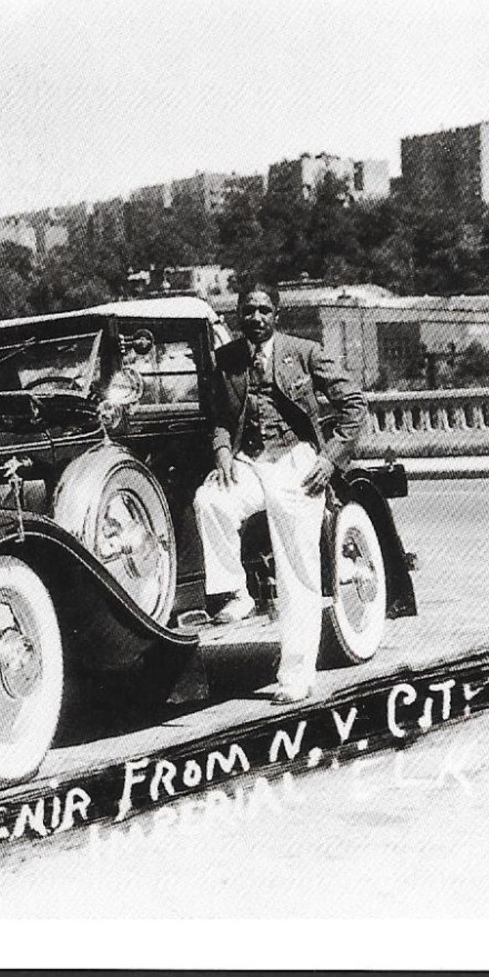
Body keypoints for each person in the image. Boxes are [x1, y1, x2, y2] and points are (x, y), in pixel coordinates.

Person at [194, 282, 369, 700]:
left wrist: (329, 459)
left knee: (298, 569)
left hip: (296, 462)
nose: (255, 318)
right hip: (250, 461)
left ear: (277, 315)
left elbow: (355, 403)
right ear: (237, 315)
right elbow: (220, 415)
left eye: (263, 310)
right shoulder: (228, 360)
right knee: (210, 500)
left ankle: (296, 677)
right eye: (247, 310)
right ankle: (235, 592)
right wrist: (221, 453)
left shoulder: (305, 353)